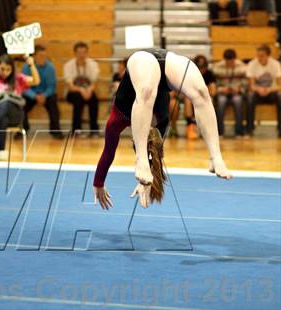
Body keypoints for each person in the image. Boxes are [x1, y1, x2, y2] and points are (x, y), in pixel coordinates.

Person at [93, 49, 232, 210]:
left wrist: (98, 183)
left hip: (144, 59)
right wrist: (144, 181)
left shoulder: (118, 118)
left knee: (201, 93)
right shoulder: (161, 121)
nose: (151, 125)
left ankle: (216, 157)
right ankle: (142, 159)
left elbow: (108, 152)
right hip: (161, 69)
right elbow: (153, 153)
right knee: (147, 92)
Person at [0, 54, 40, 160]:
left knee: (7, 101)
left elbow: (36, 81)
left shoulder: (18, 78)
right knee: (2, 119)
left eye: (8, 69)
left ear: (12, 69)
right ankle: (0, 154)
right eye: (2, 69)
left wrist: (32, 65)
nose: (5, 72)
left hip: (15, 114)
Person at [169, 55, 217, 139]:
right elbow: (173, 93)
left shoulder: (209, 74)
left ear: (206, 67)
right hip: (184, 97)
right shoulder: (185, 74)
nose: (201, 70)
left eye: (203, 67)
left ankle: (205, 129)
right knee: (174, 102)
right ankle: (184, 127)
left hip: (199, 98)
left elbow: (213, 92)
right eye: (199, 67)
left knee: (206, 101)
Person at [22, 45, 63, 139]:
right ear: (34, 56)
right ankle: (23, 130)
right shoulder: (27, 67)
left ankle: (55, 130)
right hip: (31, 94)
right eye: (40, 56)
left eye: (44, 56)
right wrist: (34, 96)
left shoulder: (50, 67)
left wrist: (44, 95)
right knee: (21, 104)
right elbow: (24, 86)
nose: (43, 58)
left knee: (53, 103)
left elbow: (52, 86)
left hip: (46, 94)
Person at [63, 41, 100, 136]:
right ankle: (76, 129)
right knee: (78, 99)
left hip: (88, 91)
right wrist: (82, 90)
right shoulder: (68, 65)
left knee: (94, 100)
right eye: (79, 52)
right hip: (73, 92)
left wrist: (89, 90)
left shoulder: (93, 65)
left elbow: (94, 83)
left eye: (84, 52)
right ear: (75, 53)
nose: (82, 55)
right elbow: (70, 86)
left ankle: (94, 130)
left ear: (87, 53)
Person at [245, 44, 281, 137]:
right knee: (250, 97)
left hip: (271, 92)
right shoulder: (252, 64)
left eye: (262, 56)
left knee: (280, 96)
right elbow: (251, 85)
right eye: (258, 55)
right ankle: (249, 129)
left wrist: (269, 89)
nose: (259, 58)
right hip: (257, 92)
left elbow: (279, 85)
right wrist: (259, 89)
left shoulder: (275, 64)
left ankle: (280, 129)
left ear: (268, 56)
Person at [213, 49, 247, 137]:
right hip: (223, 93)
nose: (229, 64)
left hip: (237, 93)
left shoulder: (243, 68)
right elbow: (214, 83)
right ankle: (220, 131)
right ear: (224, 60)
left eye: (231, 62)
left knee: (238, 101)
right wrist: (220, 89)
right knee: (221, 102)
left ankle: (239, 131)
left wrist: (240, 89)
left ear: (235, 60)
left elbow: (246, 83)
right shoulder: (217, 68)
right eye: (227, 62)